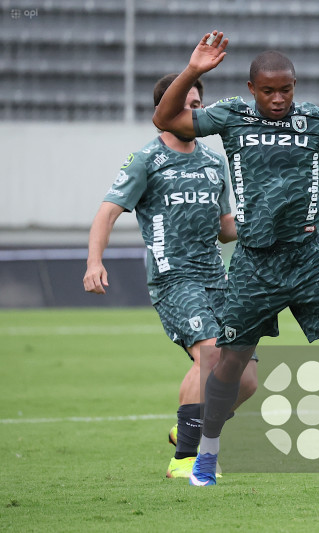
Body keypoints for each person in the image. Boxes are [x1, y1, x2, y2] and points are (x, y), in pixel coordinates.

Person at [152, 32, 319, 486]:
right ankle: (207, 456)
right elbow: (166, 117)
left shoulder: (316, 118)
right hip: (255, 263)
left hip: (310, 258)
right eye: (269, 91)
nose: (278, 99)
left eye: (287, 90)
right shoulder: (231, 115)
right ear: (252, 89)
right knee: (229, 364)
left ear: (296, 87)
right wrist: (194, 70)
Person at [83, 73, 259, 479]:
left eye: (197, 106)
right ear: (163, 112)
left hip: (217, 279)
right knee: (211, 354)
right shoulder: (146, 159)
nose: (191, 112)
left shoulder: (215, 162)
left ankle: (186, 427)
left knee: (247, 379)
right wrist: (95, 262)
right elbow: (107, 211)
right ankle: (183, 459)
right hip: (173, 278)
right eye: (183, 104)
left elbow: (223, 226)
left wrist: (257, 221)